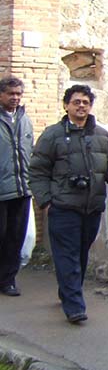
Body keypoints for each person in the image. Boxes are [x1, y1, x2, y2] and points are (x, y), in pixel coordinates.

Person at [29, 84, 108, 324]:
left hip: (92, 207)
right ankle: (74, 306)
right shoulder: (52, 135)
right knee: (67, 256)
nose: (81, 106)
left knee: (80, 255)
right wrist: (46, 202)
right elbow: (37, 171)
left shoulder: (102, 135)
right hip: (63, 207)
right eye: (77, 102)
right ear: (66, 105)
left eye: (86, 102)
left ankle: (68, 292)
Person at [0, 76, 34, 297]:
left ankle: (8, 280)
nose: (15, 98)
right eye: (11, 94)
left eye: (18, 94)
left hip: (21, 189)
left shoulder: (24, 119)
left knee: (15, 237)